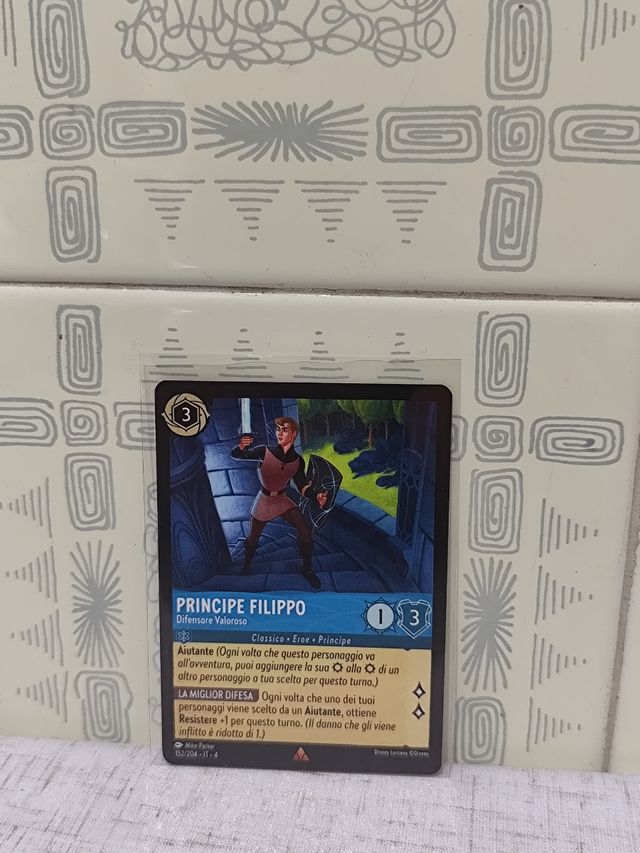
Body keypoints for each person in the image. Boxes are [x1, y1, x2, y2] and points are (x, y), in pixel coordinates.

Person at [231, 416, 327, 590]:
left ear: (293, 434)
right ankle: (246, 565)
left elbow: (302, 487)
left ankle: (307, 569)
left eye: (285, 430)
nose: (280, 433)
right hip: (264, 501)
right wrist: (242, 447)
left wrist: (316, 495)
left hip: (282, 500)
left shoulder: (297, 461)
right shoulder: (264, 451)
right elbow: (238, 455)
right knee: (253, 538)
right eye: (278, 430)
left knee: (305, 532)